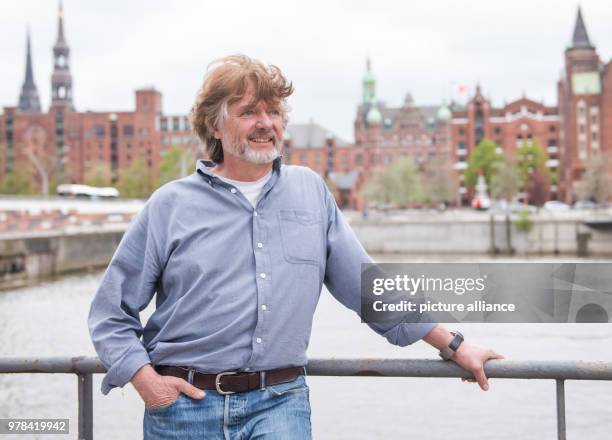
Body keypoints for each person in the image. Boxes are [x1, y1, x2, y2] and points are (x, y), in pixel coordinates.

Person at [88, 54, 503, 439]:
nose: (265, 122)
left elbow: (367, 287)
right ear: (215, 126)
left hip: (279, 405)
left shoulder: (310, 192)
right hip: (183, 409)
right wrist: (146, 381)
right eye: (248, 111)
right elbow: (110, 313)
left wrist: (455, 345)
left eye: (274, 111)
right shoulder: (170, 205)